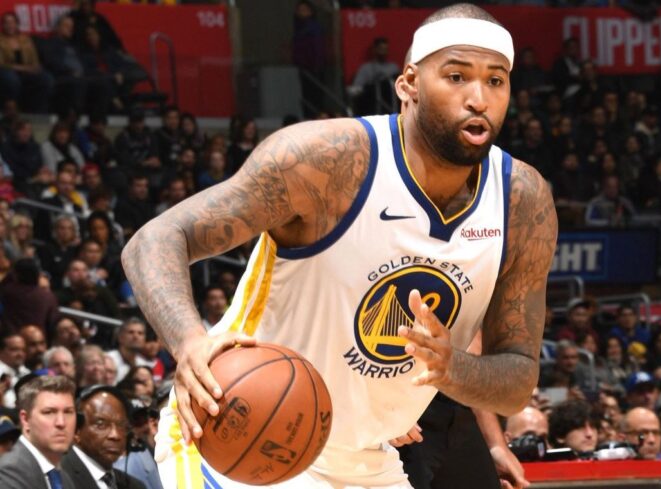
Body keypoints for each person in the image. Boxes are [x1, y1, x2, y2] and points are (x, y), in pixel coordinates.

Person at [123, 4, 557, 488]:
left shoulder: (522, 201)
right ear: (409, 84)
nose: (478, 98)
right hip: (238, 431)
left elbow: (517, 381)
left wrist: (452, 367)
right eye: (456, 76)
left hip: (366, 458)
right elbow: (154, 239)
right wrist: (189, 343)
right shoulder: (327, 162)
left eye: (495, 81)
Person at [0, 375, 77, 488]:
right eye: (49, 412)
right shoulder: (9, 472)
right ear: (25, 419)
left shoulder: (63, 477)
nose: (61, 422)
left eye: (68, 412)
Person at [61, 385, 144, 489]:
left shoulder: (135, 486)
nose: (115, 435)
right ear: (76, 430)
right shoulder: (57, 479)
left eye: (121, 425)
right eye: (101, 425)